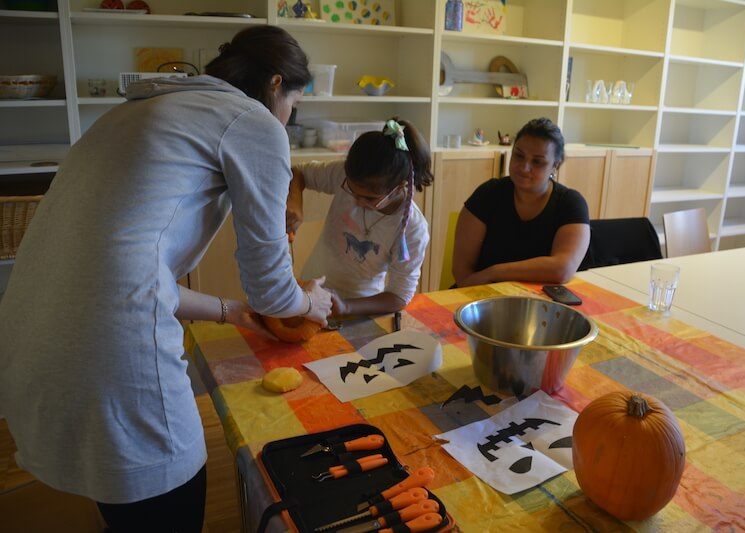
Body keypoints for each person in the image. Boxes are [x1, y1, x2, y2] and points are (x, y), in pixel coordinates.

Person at [0, 25, 332, 533]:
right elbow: (271, 287)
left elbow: (123, 271)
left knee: (121, 495)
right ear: (275, 83)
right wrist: (312, 303)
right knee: (164, 495)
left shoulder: (134, 112)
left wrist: (231, 312)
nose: (289, 120)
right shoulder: (253, 120)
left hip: (32, 333)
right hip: (110, 350)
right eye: (294, 105)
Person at [286, 118, 433, 317]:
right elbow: (297, 172)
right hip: (311, 291)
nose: (357, 202)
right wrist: (295, 203)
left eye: (369, 198)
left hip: (361, 309)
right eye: (352, 192)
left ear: (400, 187)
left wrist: (347, 307)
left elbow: (399, 296)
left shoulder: (413, 229)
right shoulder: (342, 176)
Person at [452, 117, 590, 287]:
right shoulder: (488, 194)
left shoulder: (570, 204)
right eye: (519, 156)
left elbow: (563, 268)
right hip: (480, 297)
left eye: (537, 161)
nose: (524, 167)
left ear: (556, 165)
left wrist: (494, 273)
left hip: (537, 302)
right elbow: (462, 272)